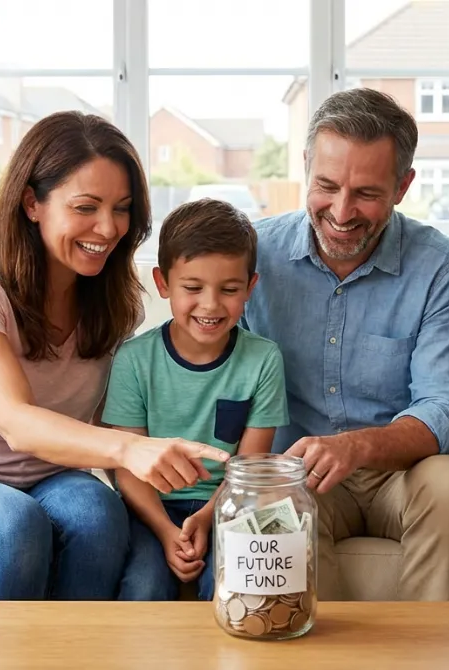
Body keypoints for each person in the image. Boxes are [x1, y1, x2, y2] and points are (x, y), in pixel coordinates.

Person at [0, 111, 231, 601]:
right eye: (86, 207)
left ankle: (73, 645)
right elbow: (15, 421)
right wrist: (128, 449)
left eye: (122, 209)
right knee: (12, 524)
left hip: (47, 478)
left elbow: (112, 419)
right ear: (32, 203)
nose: (108, 228)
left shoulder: (113, 301)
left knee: (98, 515)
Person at [241, 88, 449, 602]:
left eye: (366, 193)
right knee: (271, 498)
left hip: (404, 475)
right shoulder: (252, 256)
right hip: (301, 474)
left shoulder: (440, 267)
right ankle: (321, 646)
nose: (341, 211)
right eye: (326, 186)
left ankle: (434, 644)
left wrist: (356, 447)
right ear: (305, 166)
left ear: (403, 186)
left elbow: (447, 409)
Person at [104, 198, 290, 601]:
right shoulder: (133, 360)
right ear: (163, 283)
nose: (210, 305)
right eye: (192, 288)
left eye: (229, 290)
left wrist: (207, 518)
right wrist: (166, 531)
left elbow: (249, 468)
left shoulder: (264, 360)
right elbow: (128, 469)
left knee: (230, 589)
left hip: (230, 506)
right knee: (144, 588)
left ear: (250, 287)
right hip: (149, 509)